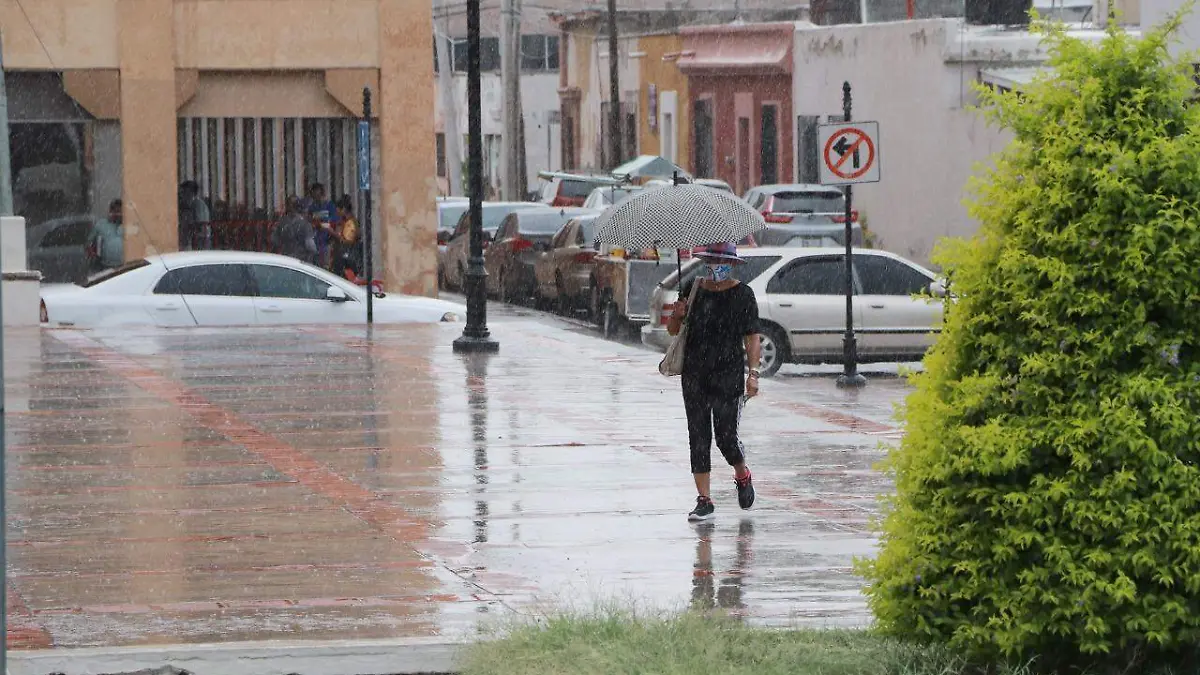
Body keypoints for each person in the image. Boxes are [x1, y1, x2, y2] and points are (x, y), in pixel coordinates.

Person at [667, 242, 761, 521]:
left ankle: (742, 473)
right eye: (710, 261)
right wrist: (677, 314)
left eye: (720, 262)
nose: (714, 267)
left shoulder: (743, 295)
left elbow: (752, 336)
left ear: (732, 264)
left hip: (728, 375)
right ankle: (704, 499)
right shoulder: (692, 289)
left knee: (725, 437)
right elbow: (673, 331)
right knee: (698, 436)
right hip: (695, 374)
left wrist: (753, 374)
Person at [271, 196, 317, 263]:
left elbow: (275, 240)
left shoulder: (281, 222)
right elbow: (310, 246)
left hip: (286, 259)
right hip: (302, 261)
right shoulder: (305, 224)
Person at [302, 183, 337, 268]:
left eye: (318, 195)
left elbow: (334, 222)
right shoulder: (312, 207)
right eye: (314, 196)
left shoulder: (329, 206)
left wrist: (322, 225)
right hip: (315, 241)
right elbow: (308, 220)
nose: (316, 198)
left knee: (325, 265)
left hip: (326, 241)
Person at [88, 199, 125, 271]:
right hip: (105, 267)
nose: (118, 215)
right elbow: (89, 244)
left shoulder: (128, 224)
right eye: (116, 212)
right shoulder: (101, 225)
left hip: (125, 266)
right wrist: (93, 255)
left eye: (120, 212)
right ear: (111, 212)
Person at [330, 195, 361, 279]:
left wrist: (332, 233)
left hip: (347, 260)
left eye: (338, 210)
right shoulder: (344, 222)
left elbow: (346, 241)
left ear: (343, 209)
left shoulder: (351, 223)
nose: (337, 212)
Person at [178, 181, 212, 250]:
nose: (182, 195)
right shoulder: (187, 206)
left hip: (198, 243)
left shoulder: (198, 205)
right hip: (189, 242)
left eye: (184, 192)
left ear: (191, 192)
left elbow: (201, 226)